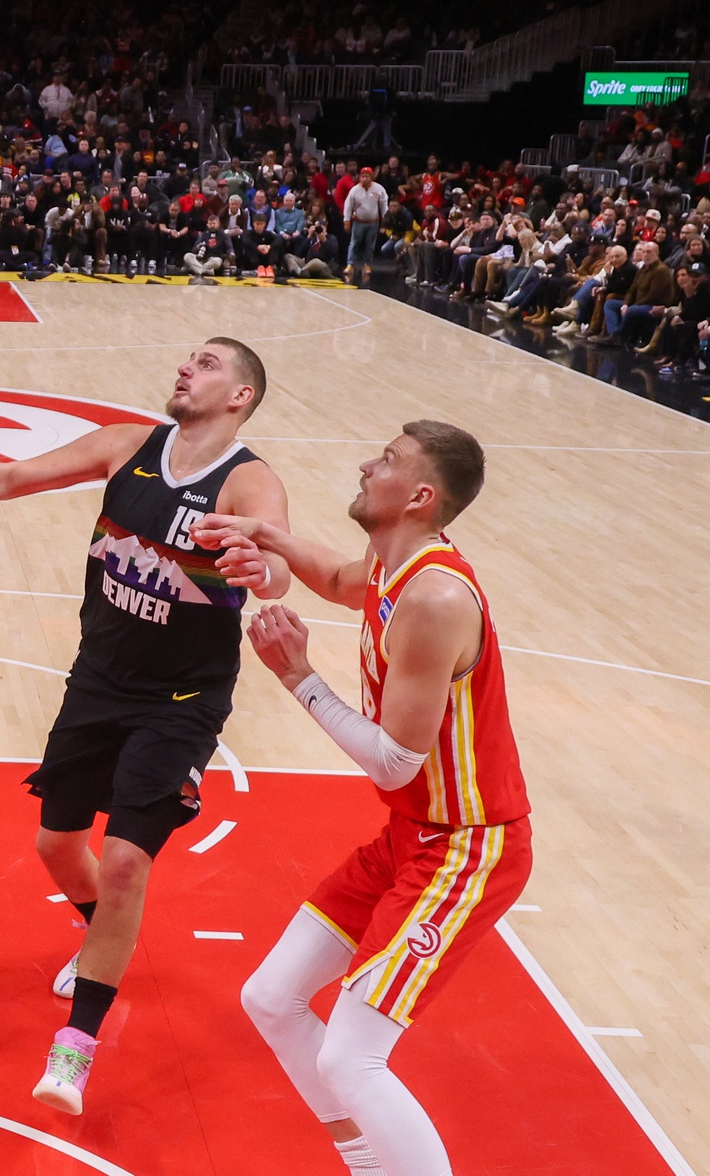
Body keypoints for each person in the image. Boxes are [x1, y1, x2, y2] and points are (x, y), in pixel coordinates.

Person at [0, 338, 289, 1118]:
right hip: (98, 680)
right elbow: (11, 477)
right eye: (188, 358)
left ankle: (74, 1048)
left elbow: (278, 564)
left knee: (127, 861)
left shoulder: (248, 480)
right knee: (57, 845)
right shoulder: (127, 444)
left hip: (181, 699)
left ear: (240, 395)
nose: (186, 367)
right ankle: (107, 939)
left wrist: (257, 566)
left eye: (207, 364)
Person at [194, 421, 530, 1176]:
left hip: (468, 848)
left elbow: (395, 762)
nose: (365, 464)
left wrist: (298, 676)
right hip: (411, 836)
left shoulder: (435, 598)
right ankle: (370, 1164)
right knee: (271, 998)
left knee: (352, 1057)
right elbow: (340, 580)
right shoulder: (390, 563)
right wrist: (267, 536)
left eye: (387, 460)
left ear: (419, 496)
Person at [342, 165, 389, 287]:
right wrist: (346, 220)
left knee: (370, 245)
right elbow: (348, 206)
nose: (364, 179)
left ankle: (367, 264)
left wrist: (385, 221)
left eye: (366, 176)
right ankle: (350, 264)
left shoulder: (379, 189)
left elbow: (384, 206)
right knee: (354, 243)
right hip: (358, 221)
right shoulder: (355, 190)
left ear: (371, 177)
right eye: (362, 176)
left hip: (373, 222)